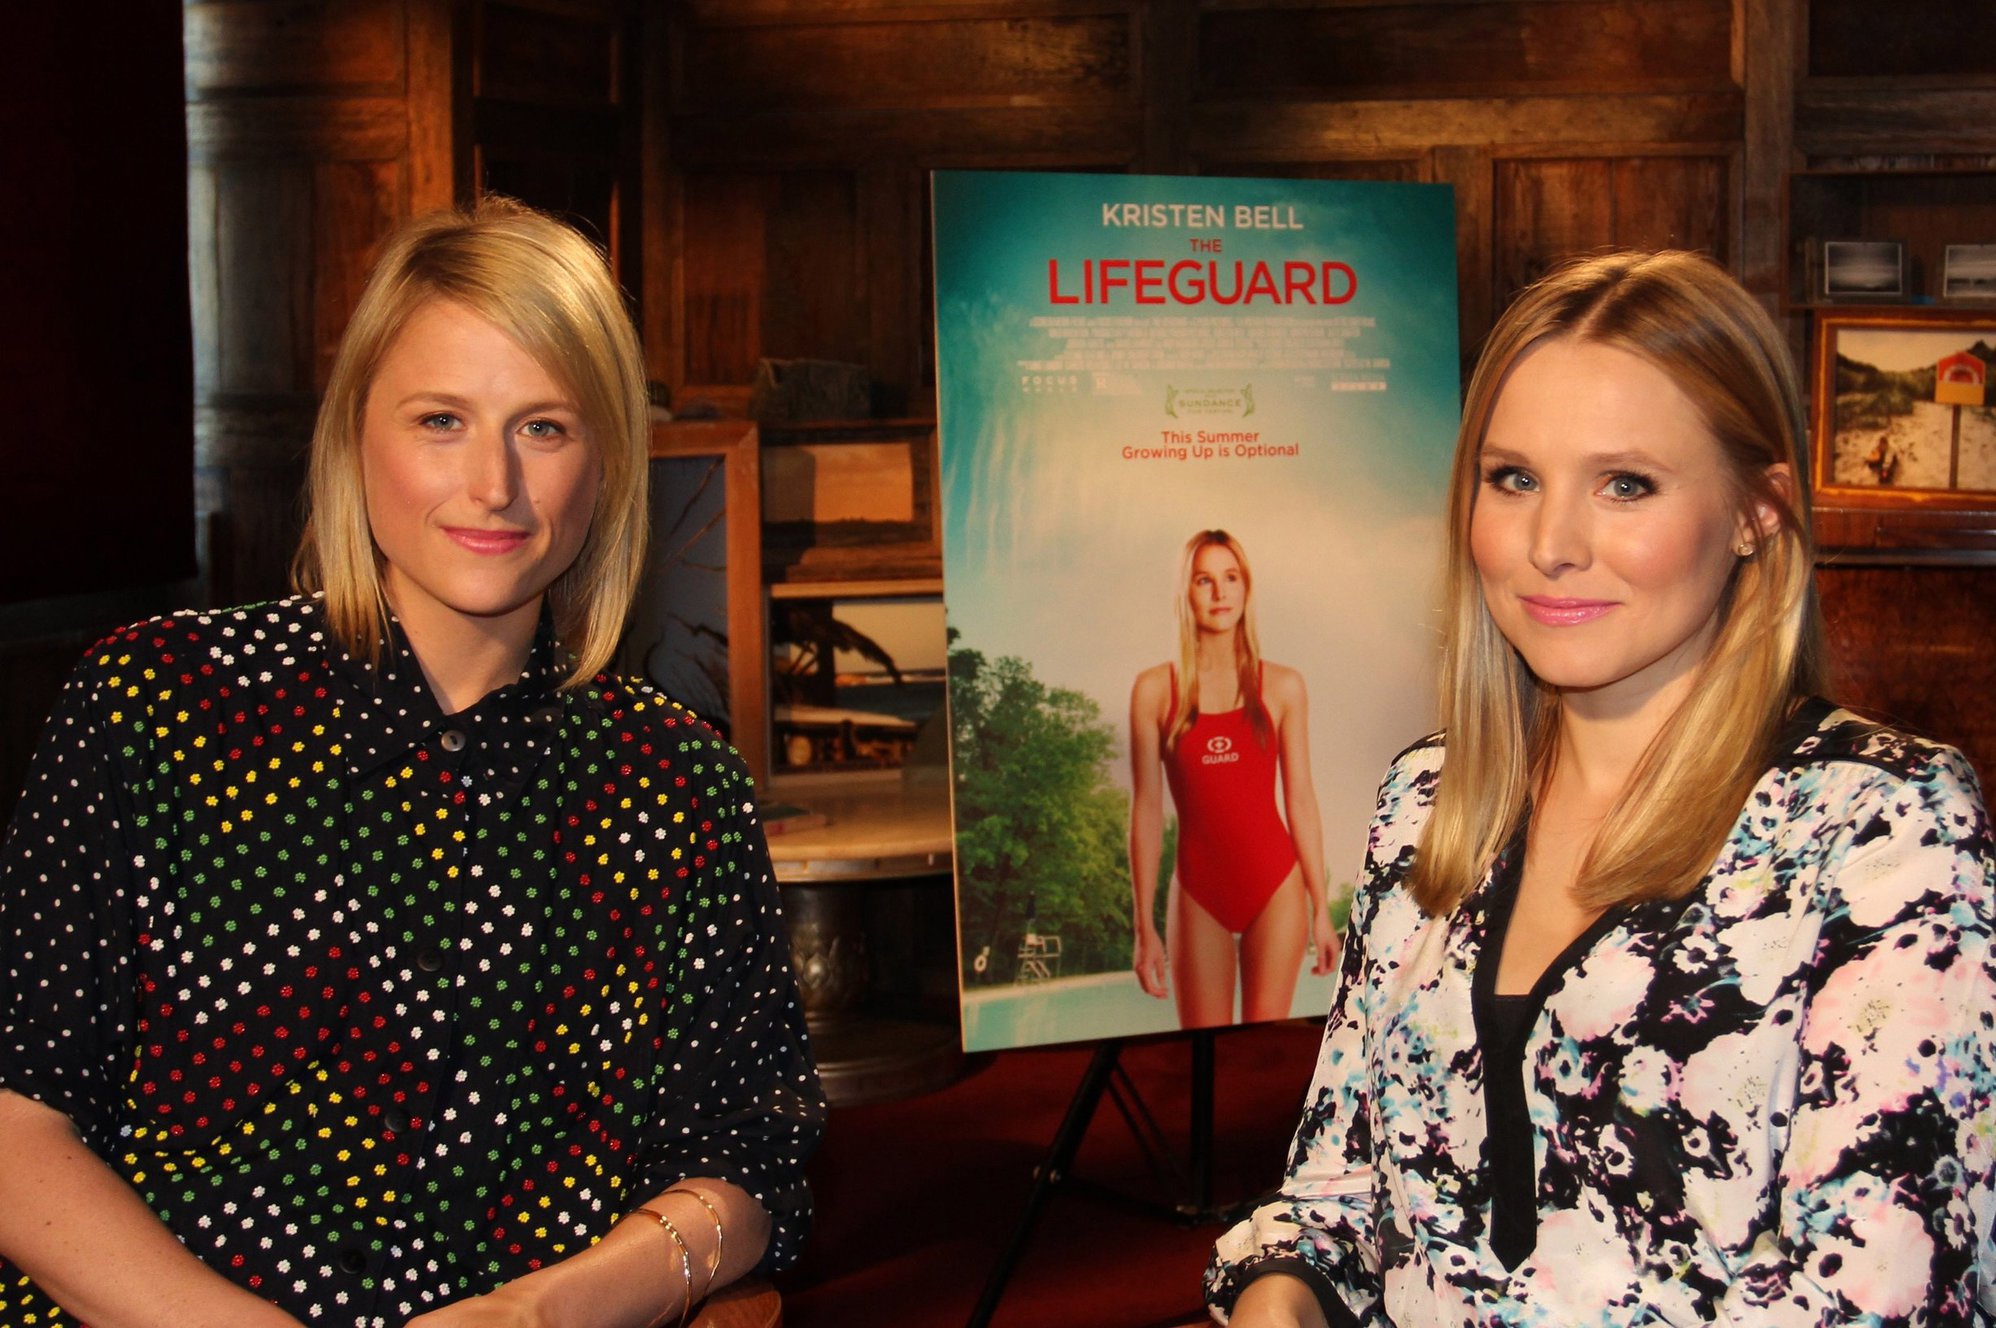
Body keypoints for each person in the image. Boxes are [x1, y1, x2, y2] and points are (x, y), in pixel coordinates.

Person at [0, 197, 824, 1328]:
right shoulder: (156, 700)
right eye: (441, 419)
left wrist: (536, 1311)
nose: (493, 484)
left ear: (608, 463)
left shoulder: (677, 777)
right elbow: (20, 1113)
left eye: (544, 426)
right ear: (355, 437)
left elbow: (750, 1161)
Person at [1207, 251, 1996, 1326]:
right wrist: (1280, 1289)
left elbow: (1882, 1296)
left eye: (1625, 483)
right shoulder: (1428, 798)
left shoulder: (1879, 829)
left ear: (1755, 512)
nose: (1548, 545)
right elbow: (1341, 1186)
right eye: (1512, 477)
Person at [1130, 530, 1338, 1030]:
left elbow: (1302, 801)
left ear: (1246, 588)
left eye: (1231, 578)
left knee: (1267, 1046)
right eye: (1204, 580)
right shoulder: (1154, 690)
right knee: (1206, 1047)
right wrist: (1144, 926)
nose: (1220, 593)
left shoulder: (1284, 686)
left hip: (1276, 885)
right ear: (1186, 591)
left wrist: (1321, 910)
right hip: (1199, 890)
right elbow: (1146, 812)